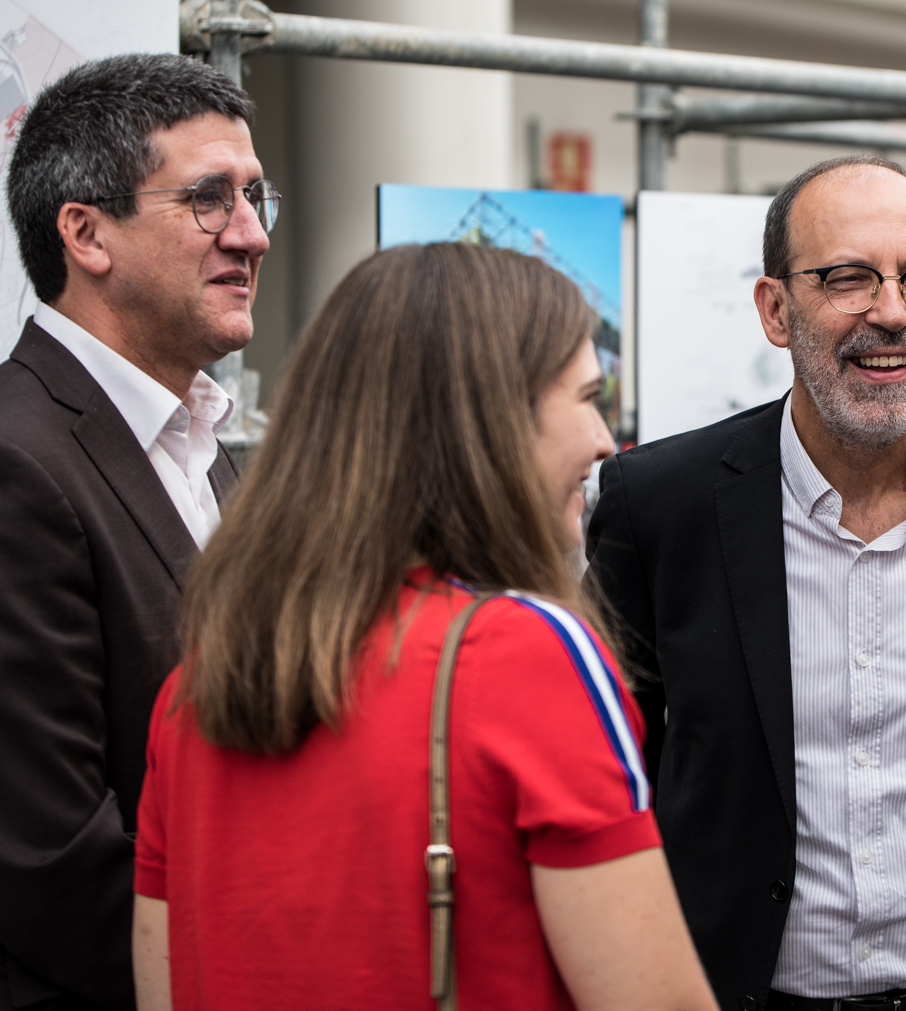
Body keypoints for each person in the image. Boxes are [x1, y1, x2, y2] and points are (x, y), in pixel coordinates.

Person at [130, 242, 718, 1011]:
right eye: (586, 398)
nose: (607, 440)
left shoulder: (198, 686)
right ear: (493, 423)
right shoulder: (529, 655)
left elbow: (162, 985)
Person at [585, 155, 906, 1011]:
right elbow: (618, 772)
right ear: (776, 309)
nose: (893, 312)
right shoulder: (659, 508)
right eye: (849, 279)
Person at [0, 54, 273, 1010]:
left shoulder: (202, 443)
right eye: (210, 198)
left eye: (257, 197)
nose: (252, 234)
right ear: (85, 232)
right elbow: (45, 861)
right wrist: (278, 956)